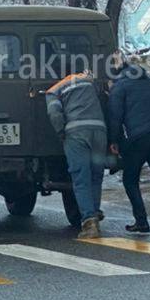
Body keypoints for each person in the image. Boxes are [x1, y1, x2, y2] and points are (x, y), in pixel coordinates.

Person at [108, 54, 150, 237]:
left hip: (139, 137)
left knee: (130, 179)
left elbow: (115, 117)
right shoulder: (148, 80)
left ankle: (141, 221)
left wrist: (114, 141)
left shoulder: (119, 86)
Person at [45, 69, 107, 240]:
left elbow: (55, 114)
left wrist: (60, 132)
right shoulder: (88, 82)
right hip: (100, 132)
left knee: (81, 178)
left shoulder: (54, 90)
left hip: (77, 134)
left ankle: (89, 222)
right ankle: (94, 213)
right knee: (96, 176)